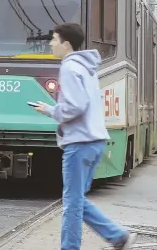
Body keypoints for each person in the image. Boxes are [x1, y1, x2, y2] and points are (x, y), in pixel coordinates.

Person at [33, 23, 137, 250]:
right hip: (94, 142)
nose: (50, 44)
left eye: (54, 40)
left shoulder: (69, 67)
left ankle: (71, 247)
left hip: (79, 143)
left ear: (66, 44)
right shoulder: (86, 68)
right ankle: (118, 236)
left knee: (71, 203)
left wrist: (51, 110)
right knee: (77, 199)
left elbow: (75, 106)